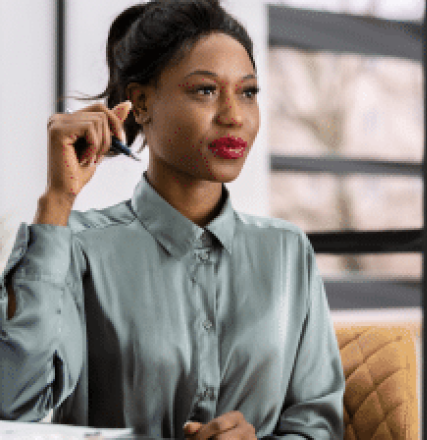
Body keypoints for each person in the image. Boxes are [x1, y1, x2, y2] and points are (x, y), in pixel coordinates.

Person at [0, 1, 344, 438]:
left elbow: (319, 424)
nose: (234, 115)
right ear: (140, 102)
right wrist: (56, 201)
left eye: (248, 92)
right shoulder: (77, 247)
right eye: (205, 90)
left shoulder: (288, 251)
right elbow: (11, 405)